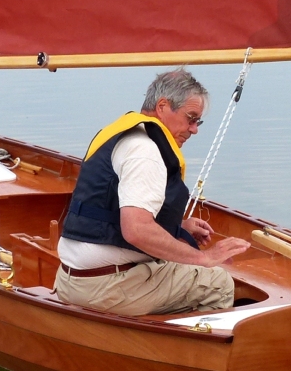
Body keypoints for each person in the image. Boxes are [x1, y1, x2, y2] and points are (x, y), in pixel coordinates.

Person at [54, 69, 251, 316]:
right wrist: (205, 258)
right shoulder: (146, 151)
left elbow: (114, 213)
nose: (194, 129)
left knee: (173, 261)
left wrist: (178, 227)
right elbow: (136, 230)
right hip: (103, 288)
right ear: (162, 106)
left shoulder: (126, 136)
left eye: (198, 121)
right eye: (190, 118)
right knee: (217, 282)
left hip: (71, 279)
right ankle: (174, 351)